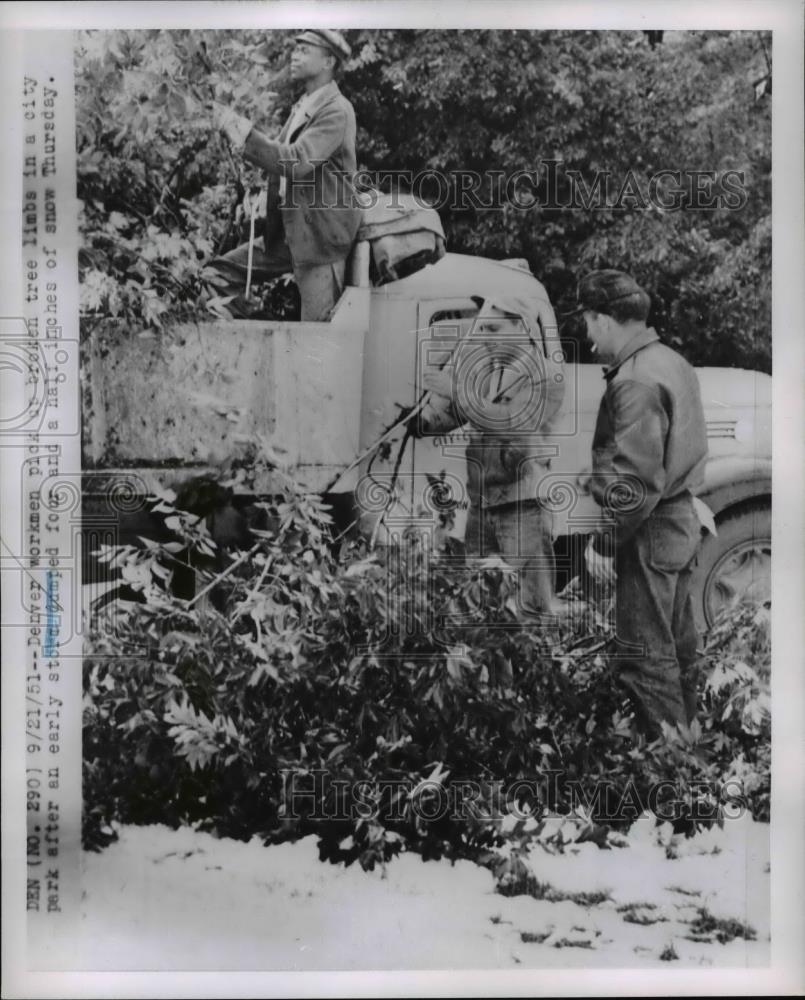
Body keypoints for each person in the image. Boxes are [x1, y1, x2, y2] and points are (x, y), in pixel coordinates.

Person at [571, 269, 709, 738]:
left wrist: (603, 545)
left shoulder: (634, 380)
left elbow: (637, 486)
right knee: (677, 652)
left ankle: (677, 791)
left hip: (649, 531)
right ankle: (693, 764)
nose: (587, 337)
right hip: (678, 523)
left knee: (646, 664)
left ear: (607, 320)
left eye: (588, 322)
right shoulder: (670, 361)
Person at [411, 296, 566, 619]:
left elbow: (511, 421)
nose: (485, 337)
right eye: (482, 329)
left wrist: (457, 391)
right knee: (481, 614)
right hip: (483, 507)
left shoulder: (546, 375)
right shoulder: (490, 372)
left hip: (522, 508)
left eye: (493, 328)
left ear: (522, 328)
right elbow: (457, 415)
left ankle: (532, 671)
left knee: (529, 614)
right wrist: (420, 415)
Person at [207, 29, 361, 321]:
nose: (294, 55)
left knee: (316, 342)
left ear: (328, 61)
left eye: (304, 50)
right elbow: (280, 164)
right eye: (295, 49)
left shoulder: (336, 111)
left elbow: (295, 161)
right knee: (215, 275)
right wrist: (261, 195)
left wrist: (241, 132)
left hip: (319, 241)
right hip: (289, 234)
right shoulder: (304, 105)